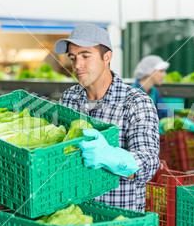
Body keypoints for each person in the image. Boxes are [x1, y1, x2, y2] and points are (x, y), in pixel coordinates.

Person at [54, 23, 160, 212]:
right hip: (75, 213)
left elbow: (150, 165)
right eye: (73, 57)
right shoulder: (69, 97)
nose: (78, 65)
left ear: (107, 57)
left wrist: (110, 157)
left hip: (118, 219)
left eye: (86, 56)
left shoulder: (136, 102)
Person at [132, 55, 194, 136]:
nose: (164, 75)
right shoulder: (133, 93)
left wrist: (181, 121)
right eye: (161, 71)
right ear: (149, 72)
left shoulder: (154, 92)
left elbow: (164, 112)